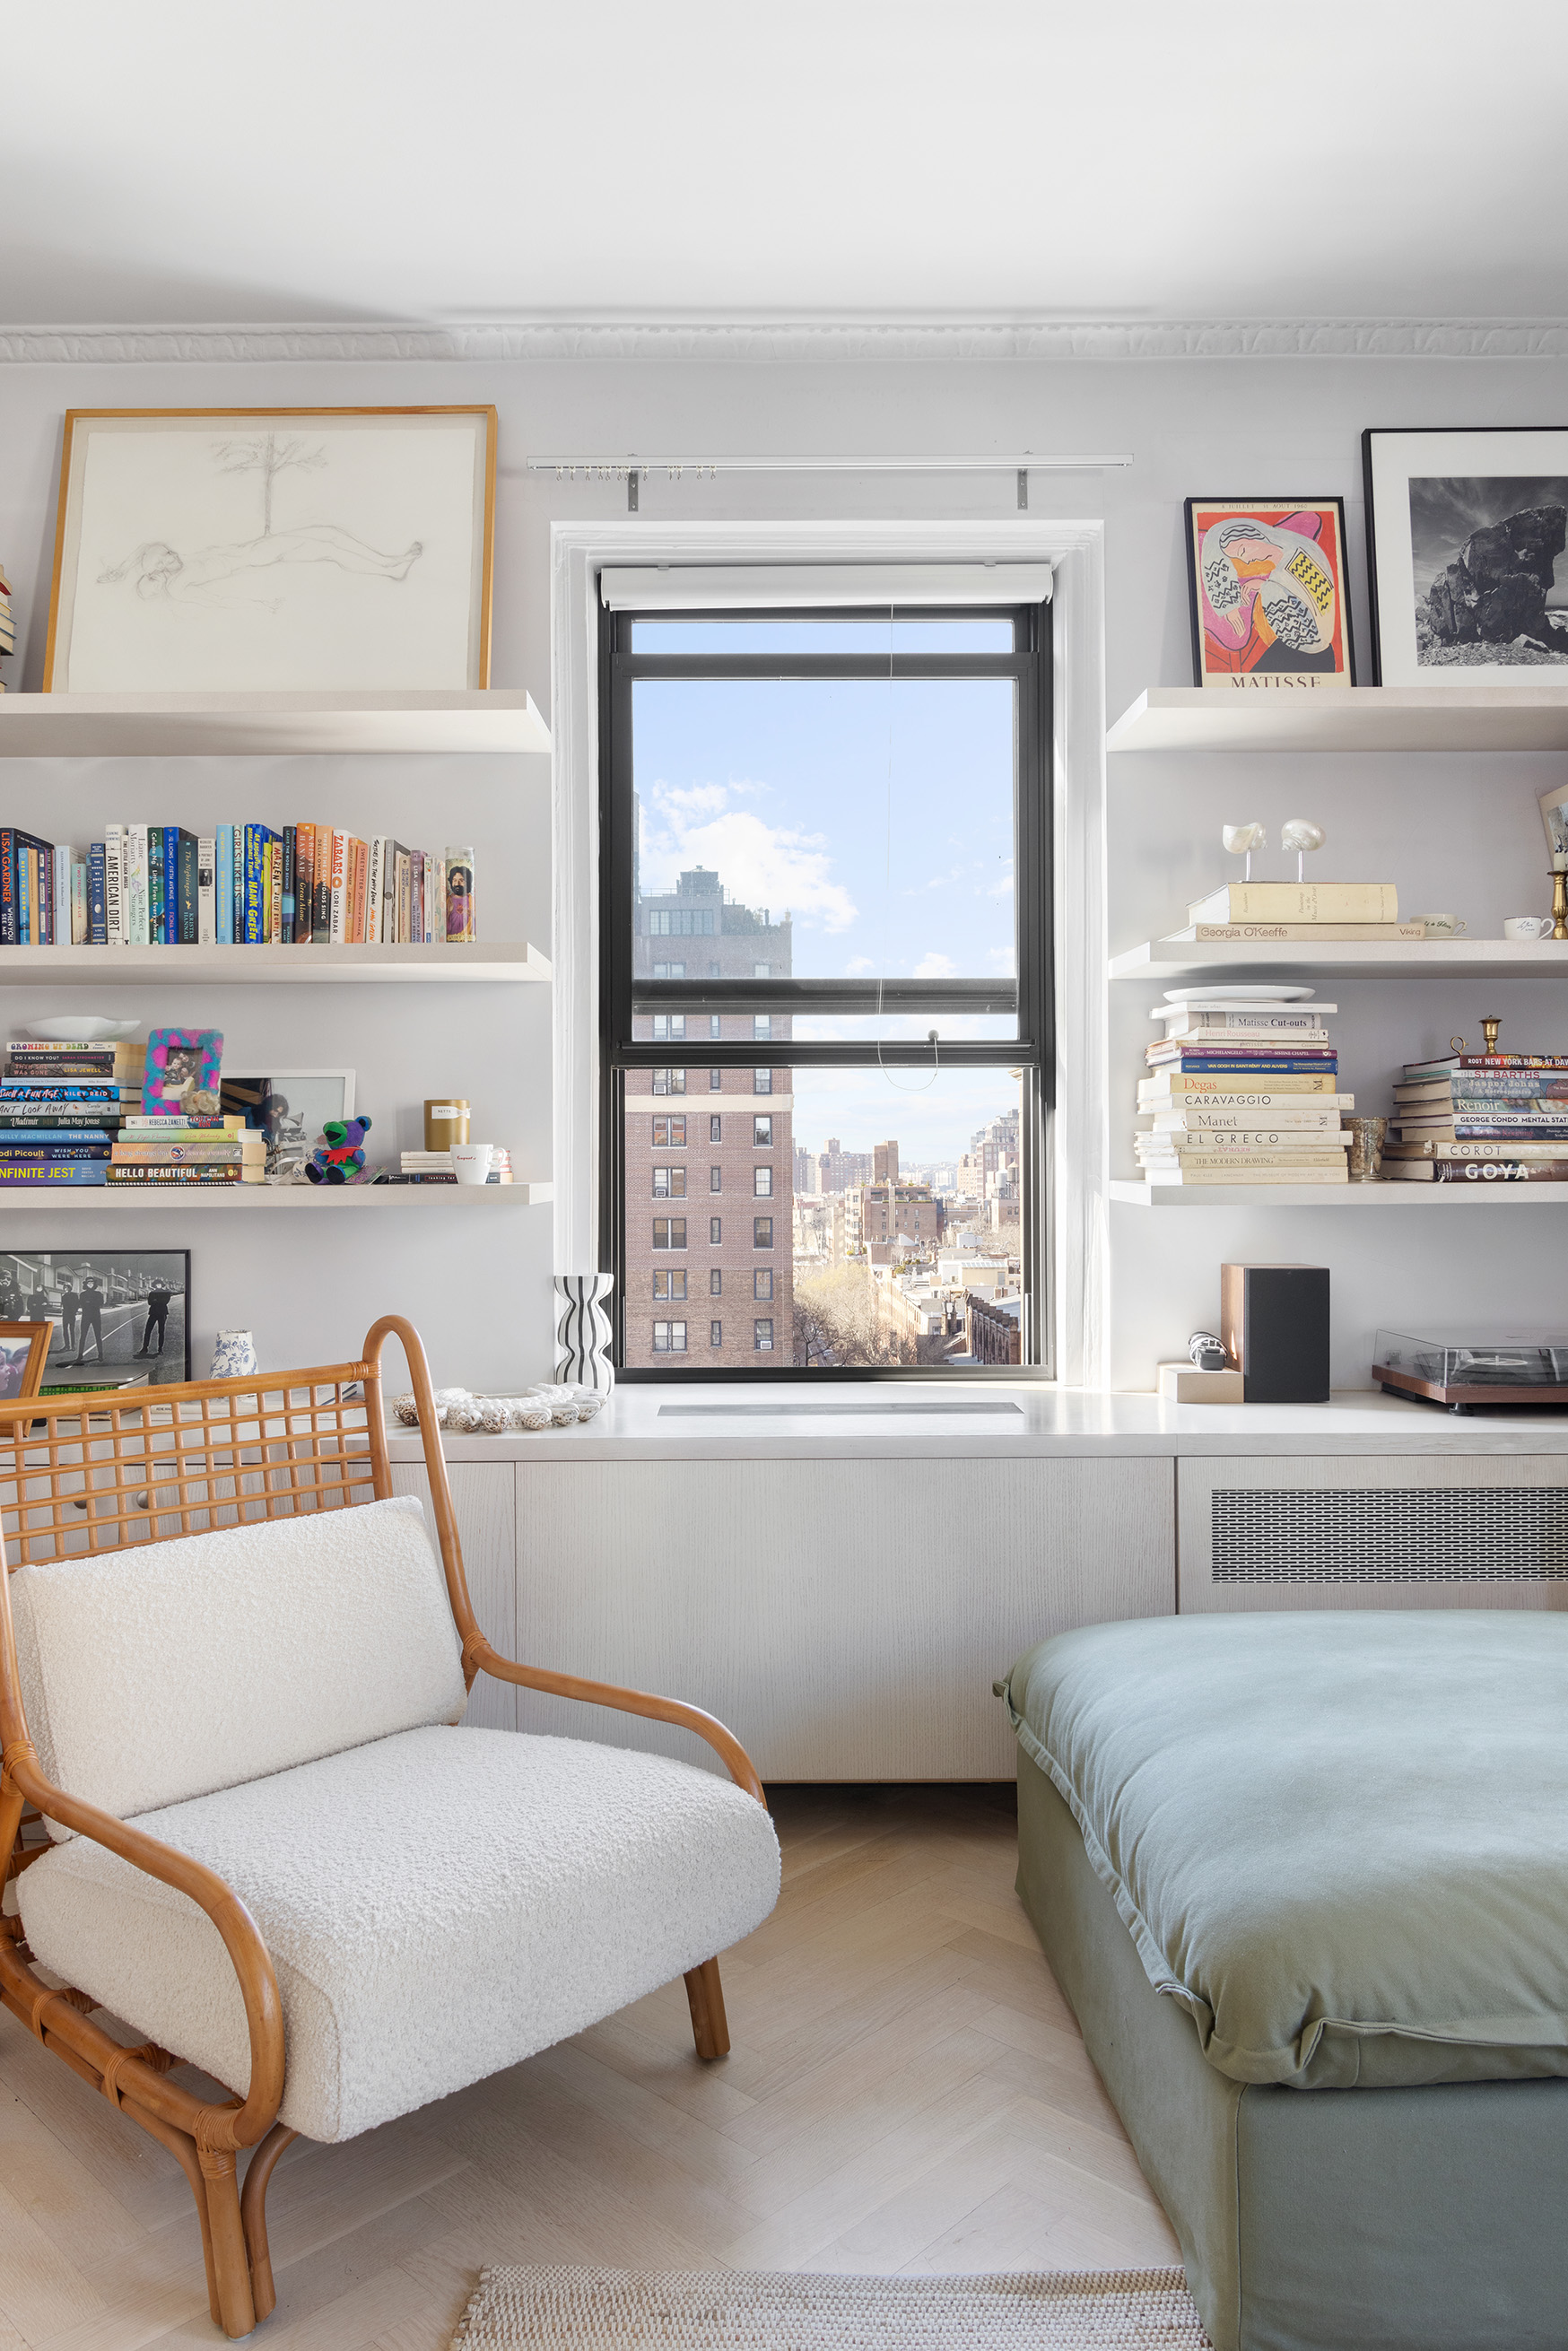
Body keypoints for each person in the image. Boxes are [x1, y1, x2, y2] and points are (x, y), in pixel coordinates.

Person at [71, 1278, 106, 1366]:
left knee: (98, 1336)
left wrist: (89, 1303)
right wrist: (92, 1303)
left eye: (92, 1283)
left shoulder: (98, 1294)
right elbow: (81, 1304)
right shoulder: (82, 1294)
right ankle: (80, 1355)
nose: (90, 1284)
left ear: (94, 1284)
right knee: (83, 1336)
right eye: (88, 1283)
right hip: (86, 1317)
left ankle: (100, 1354)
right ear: (86, 1284)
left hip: (96, 1317)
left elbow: (101, 1303)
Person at [135, 1280, 174, 1358]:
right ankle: (144, 1348)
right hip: (153, 1313)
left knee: (161, 1331)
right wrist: (158, 1301)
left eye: (159, 1284)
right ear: (155, 1285)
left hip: (162, 1313)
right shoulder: (152, 1293)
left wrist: (155, 1300)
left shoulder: (166, 1293)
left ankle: (160, 1349)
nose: (158, 1285)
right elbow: (150, 1302)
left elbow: (165, 1302)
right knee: (147, 1331)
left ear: (162, 1285)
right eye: (157, 1284)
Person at [57, 1281, 79, 1352]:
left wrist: (74, 1312)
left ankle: (73, 1346)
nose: (65, 1289)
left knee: (72, 1331)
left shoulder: (74, 1295)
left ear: (70, 1288)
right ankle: (67, 1345)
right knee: (65, 1331)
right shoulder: (63, 1296)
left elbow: (77, 1305)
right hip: (65, 1315)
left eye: (66, 1287)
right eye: (64, 1287)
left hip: (72, 1315)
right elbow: (63, 1305)